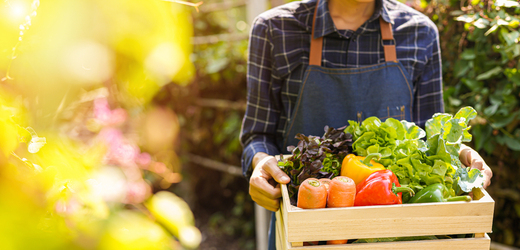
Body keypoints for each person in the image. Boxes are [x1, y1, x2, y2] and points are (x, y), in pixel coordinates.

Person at [239, 0, 493, 248]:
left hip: (398, 236)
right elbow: (257, 135)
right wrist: (260, 161)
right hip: (305, 233)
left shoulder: (419, 32)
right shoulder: (274, 30)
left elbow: (429, 134)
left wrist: (459, 153)